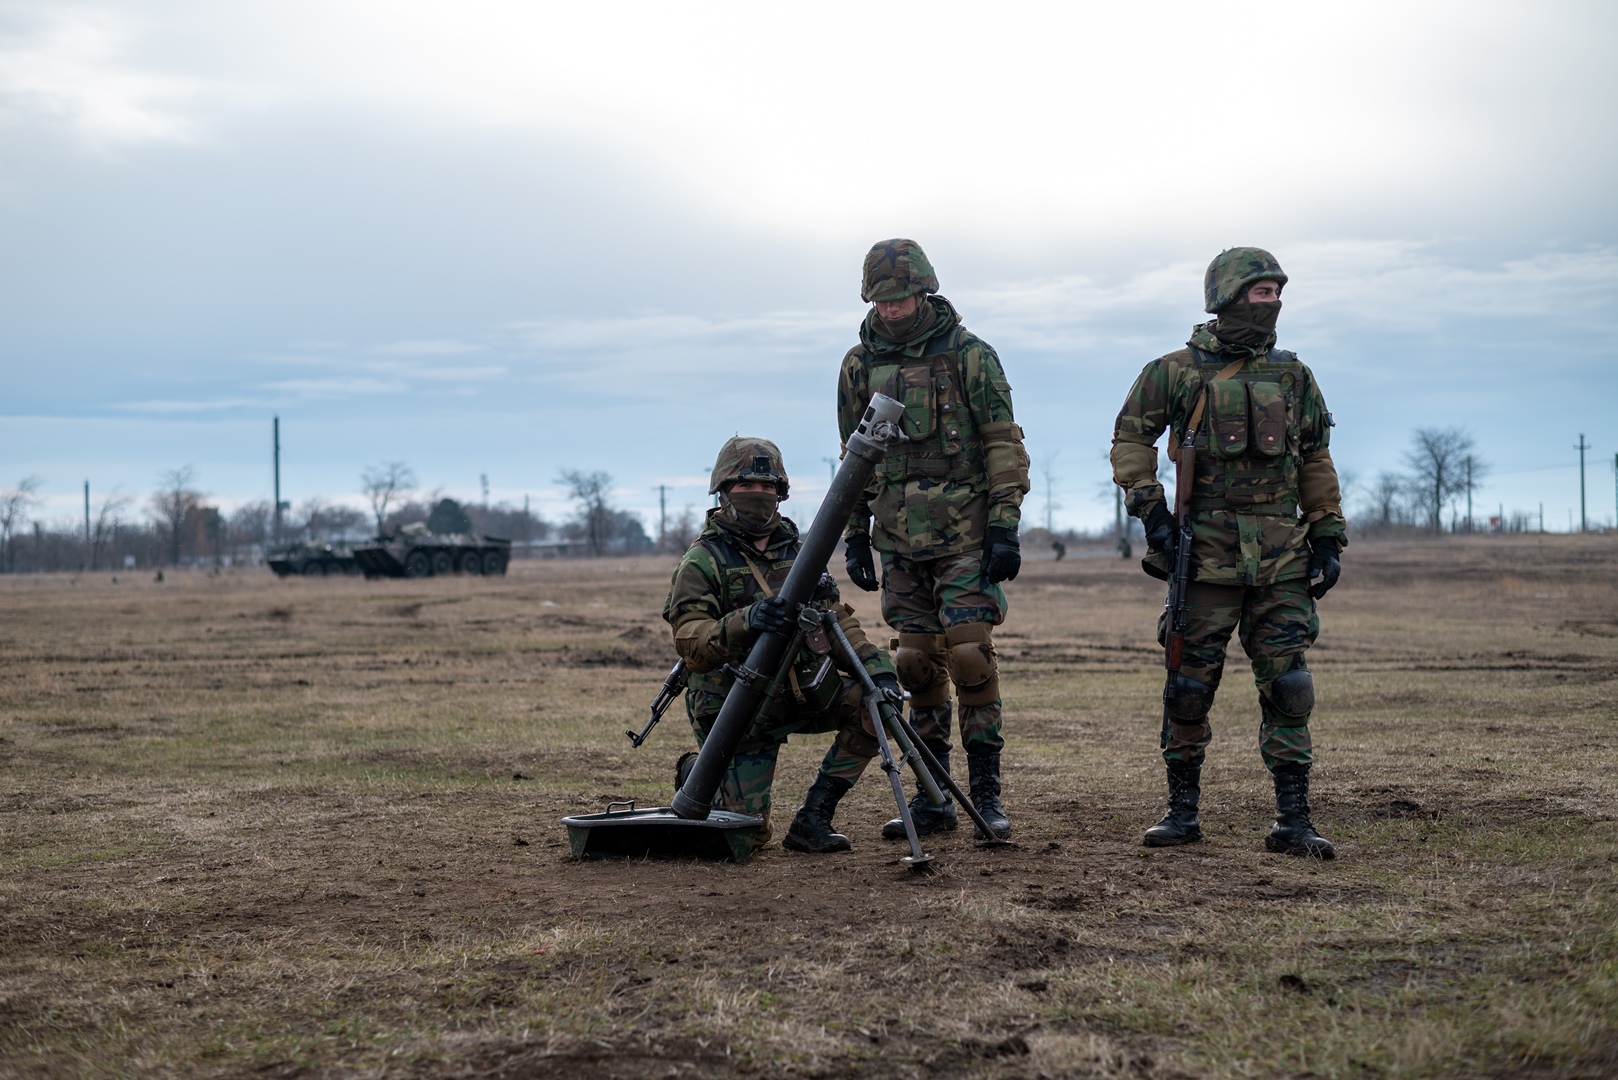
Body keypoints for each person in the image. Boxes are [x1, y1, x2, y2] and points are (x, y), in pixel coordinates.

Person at [1110, 247, 1346, 858]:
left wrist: (1326, 530)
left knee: (1290, 686)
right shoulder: (1175, 371)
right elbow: (1131, 437)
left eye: (1276, 292)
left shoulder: (1294, 375)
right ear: (1229, 297)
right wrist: (1151, 510)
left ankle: (1294, 820)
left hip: (1280, 558)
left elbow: (1315, 456)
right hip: (1204, 556)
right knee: (1188, 687)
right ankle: (1181, 813)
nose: (1273, 301)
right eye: (1261, 291)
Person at [836, 239, 1030, 840]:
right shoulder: (858, 363)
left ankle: (987, 799)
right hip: (897, 539)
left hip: (967, 534)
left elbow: (1002, 440)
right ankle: (933, 799)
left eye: (902, 298)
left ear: (925, 290)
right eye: (881, 301)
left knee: (970, 659)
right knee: (916, 666)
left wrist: (1004, 522)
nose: (892, 310)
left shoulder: (971, 354)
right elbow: (854, 456)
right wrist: (855, 534)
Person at [663, 436, 901, 854]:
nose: (758, 494)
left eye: (767, 487)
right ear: (723, 491)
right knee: (746, 838)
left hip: (804, 689)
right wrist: (745, 621)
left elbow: (836, 620)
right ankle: (698, 772)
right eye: (746, 486)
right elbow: (692, 645)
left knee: (875, 708)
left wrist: (875, 667)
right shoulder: (701, 561)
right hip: (738, 706)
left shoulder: (800, 551)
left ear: (781, 494)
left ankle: (814, 819)